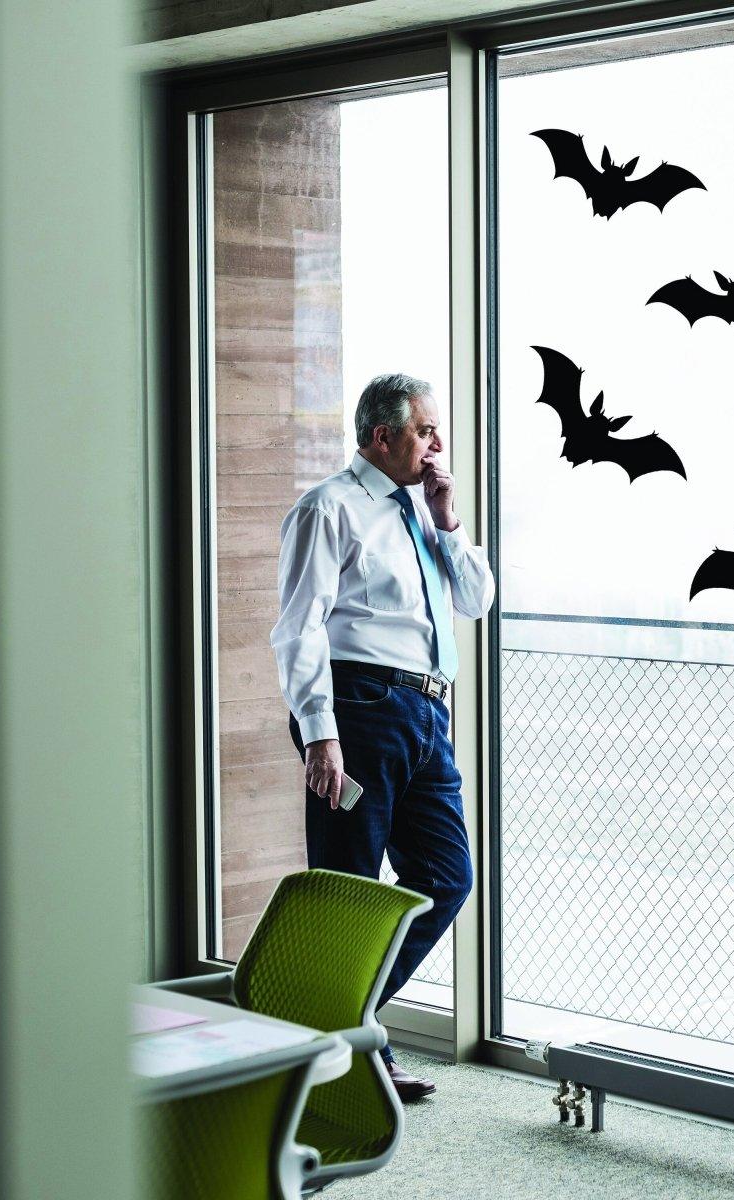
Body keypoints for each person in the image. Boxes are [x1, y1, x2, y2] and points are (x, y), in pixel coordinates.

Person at [270, 373, 495, 1101]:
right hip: (361, 706)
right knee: (348, 887)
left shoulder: (422, 513)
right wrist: (319, 734)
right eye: (425, 430)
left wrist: (448, 517)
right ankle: (348, 1052)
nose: (437, 443)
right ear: (381, 437)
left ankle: (337, 1028)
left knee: (447, 876)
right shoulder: (329, 508)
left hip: (429, 711)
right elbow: (298, 628)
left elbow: (476, 600)